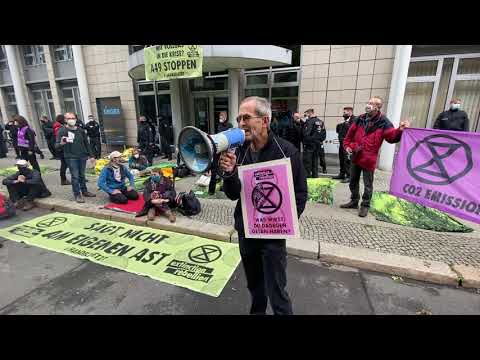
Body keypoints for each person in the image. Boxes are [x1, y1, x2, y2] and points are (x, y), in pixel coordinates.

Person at [220, 96, 308, 315]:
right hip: (246, 234)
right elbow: (232, 195)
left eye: (246, 117)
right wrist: (230, 173)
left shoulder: (287, 151)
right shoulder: (238, 151)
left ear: (265, 121)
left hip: (272, 237)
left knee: (277, 291)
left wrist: (282, 220)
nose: (241, 123)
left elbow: (300, 194)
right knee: (255, 288)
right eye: (239, 118)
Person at [341, 97, 410, 217]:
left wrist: (400, 130)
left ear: (378, 107)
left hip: (369, 159)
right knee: (353, 181)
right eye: (368, 102)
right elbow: (349, 135)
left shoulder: (383, 121)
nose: (368, 105)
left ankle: (365, 205)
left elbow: (391, 137)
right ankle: (354, 201)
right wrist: (347, 146)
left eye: (372, 103)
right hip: (355, 155)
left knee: (368, 184)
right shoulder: (360, 119)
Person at [56, 112, 96, 203]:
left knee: (82, 175)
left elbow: (87, 143)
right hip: (71, 157)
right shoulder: (62, 131)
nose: (71, 120)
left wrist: (91, 156)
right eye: (69, 118)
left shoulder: (81, 130)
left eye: (73, 118)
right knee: (75, 176)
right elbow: (56, 145)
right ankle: (77, 194)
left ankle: (84, 191)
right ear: (65, 120)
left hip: (82, 156)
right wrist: (61, 143)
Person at [208, 111, 232, 195]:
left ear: (226, 117)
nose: (220, 117)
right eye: (220, 116)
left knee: (224, 169)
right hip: (217, 150)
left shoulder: (229, 126)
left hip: (225, 151)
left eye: (222, 116)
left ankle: (223, 187)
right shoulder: (219, 125)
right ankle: (211, 190)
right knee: (214, 170)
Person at [302, 108, 326, 177]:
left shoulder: (309, 122)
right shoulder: (321, 122)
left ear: (310, 113)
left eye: (306, 114)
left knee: (307, 162)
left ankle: (307, 177)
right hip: (318, 145)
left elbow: (306, 134)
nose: (305, 115)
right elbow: (324, 134)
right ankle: (315, 177)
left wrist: (306, 141)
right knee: (315, 162)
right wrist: (318, 140)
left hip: (310, 145)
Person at [333, 107, 355, 183]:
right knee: (342, 159)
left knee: (348, 161)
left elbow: (353, 132)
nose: (344, 114)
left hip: (349, 145)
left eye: (345, 113)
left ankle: (349, 176)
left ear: (350, 112)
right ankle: (342, 174)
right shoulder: (345, 122)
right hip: (342, 144)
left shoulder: (354, 121)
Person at [53, 114, 71, 186]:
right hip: (61, 148)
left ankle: (64, 179)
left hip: (62, 148)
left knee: (65, 164)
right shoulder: (59, 128)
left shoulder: (59, 126)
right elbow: (59, 139)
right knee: (64, 165)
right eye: (65, 119)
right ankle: (63, 180)